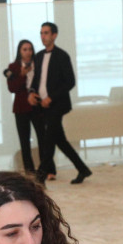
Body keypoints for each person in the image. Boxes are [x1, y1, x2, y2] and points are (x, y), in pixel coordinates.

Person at [28, 22, 92, 185]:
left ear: (54, 35)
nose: (43, 36)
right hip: (42, 105)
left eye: (46, 33)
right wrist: (32, 92)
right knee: (59, 140)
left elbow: (69, 82)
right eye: (41, 33)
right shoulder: (39, 56)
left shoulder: (62, 56)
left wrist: (52, 97)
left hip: (57, 105)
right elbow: (37, 80)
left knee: (49, 139)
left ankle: (40, 175)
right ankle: (82, 169)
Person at [4, 39, 37, 176]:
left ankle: (47, 170)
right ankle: (30, 172)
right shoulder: (13, 67)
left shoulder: (38, 64)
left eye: (30, 49)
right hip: (20, 108)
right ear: (19, 51)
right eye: (25, 49)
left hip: (37, 106)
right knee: (24, 141)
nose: (28, 52)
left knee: (43, 138)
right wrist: (22, 75)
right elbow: (12, 88)